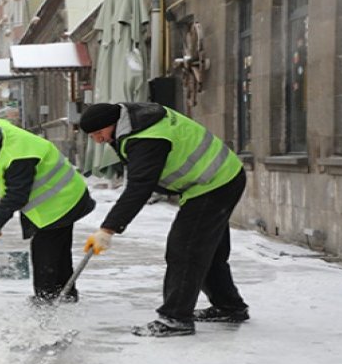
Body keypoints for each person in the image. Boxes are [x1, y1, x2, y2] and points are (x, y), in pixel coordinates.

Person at [79, 102, 249, 337]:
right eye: (92, 136)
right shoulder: (137, 121)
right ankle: (228, 307)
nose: (98, 140)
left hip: (212, 184)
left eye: (99, 133)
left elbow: (139, 187)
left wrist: (108, 229)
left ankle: (175, 318)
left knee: (185, 251)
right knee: (207, 251)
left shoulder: (146, 137)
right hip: (221, 177)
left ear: (114, 124)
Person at [0, 115, 95, 304]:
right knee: (59, 250)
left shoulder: (18, 155)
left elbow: (16, 196)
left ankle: (45, 298)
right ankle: (65, 293)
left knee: (45, 253)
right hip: (56, 198)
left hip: (58, 200)